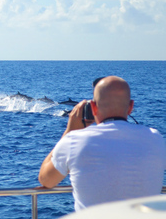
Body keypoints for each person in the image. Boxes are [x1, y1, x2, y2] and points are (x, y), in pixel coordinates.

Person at [38, 76, 166, 211]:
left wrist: (69, 131)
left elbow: (46, 180)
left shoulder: (73, 140)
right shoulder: (156, 138)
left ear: (93, 107)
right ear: (131, 107)